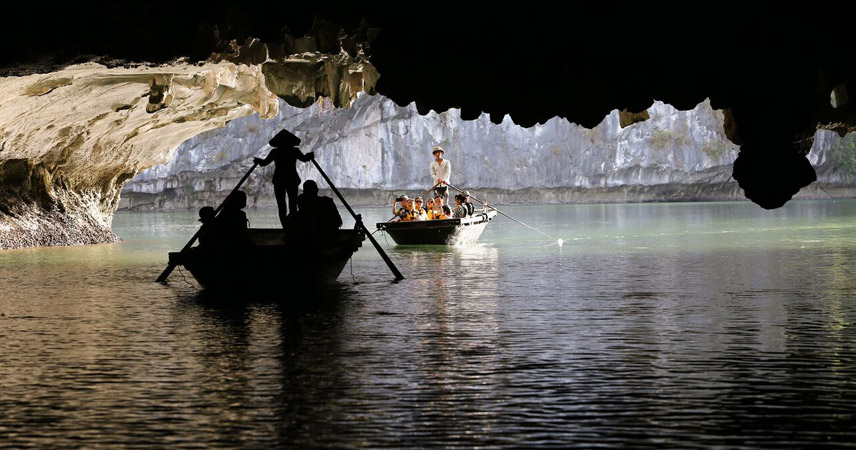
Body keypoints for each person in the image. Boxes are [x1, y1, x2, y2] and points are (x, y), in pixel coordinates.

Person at [253, 129, 315, 228]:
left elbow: (264, 163)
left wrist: (257, 161)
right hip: (291, 179)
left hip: (279, 180)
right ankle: (292, 228)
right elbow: (304, 159)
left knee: (282, 206)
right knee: (292, 205)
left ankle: (285, 227)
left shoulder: (275, 152)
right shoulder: (294, 151)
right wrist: (309, 156)